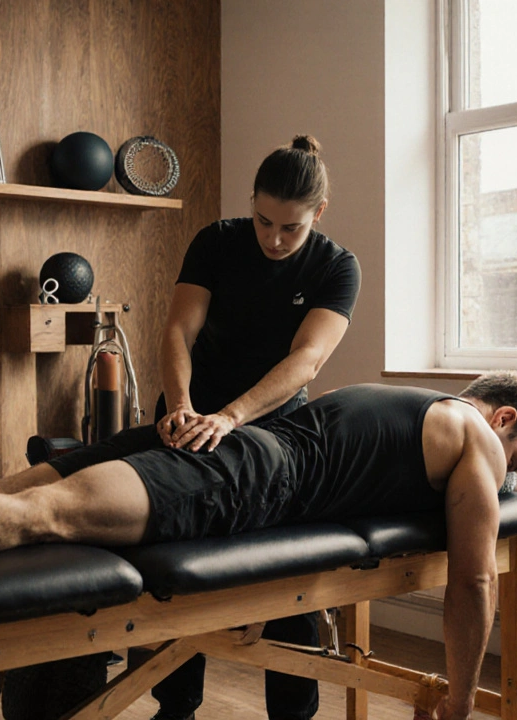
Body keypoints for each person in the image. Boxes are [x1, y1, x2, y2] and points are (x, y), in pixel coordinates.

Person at [0, 372, 517, 720]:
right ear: (501, 419)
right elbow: (473, 580)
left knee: (15, 496)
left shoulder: (402, 401)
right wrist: (458, 700)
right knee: (44, 516)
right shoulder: (475, 441)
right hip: (243, 480)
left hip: (240, 458)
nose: (506, 485)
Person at [147, 134, 359, 720]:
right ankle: (176, 706)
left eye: (290, 228)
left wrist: (232, 417)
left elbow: (307, 361)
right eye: (263, 221)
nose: (273, 238)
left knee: (287, 575)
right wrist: (182, 405)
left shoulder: (338, 266)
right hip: (191, 418)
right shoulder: (217, 241)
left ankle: (293, 715)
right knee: (180, 562)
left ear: (318, 213)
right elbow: (177, 331)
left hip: (278, 433)